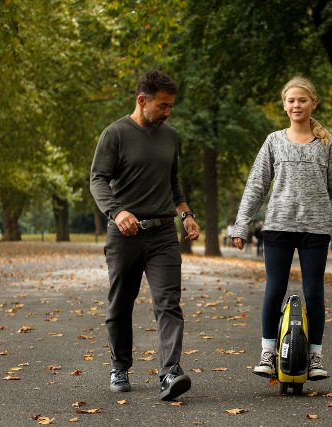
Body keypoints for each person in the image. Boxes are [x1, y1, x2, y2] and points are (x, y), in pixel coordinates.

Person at [230, 76, 332, 381]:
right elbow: (256, 185)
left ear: (313, 104)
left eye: (302, 100)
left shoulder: (327, 142)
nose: (297, 105)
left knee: (313, 292)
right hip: (279, 225)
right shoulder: (273, 141)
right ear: (284, 105)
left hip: (317, 228)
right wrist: (241, 226)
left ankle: (315, 357)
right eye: (291, 100)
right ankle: (268, 353)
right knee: (275, 289)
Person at [90, 70, 200, 400]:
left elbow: (173, 182)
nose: (168, 112)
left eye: (171, 106)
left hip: (164, 233)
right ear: (142, 101)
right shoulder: (115, 135)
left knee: (169, 303)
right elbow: (98, 180)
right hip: (124, 235)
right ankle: (119, 365)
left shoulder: (171, 136)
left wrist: (186, 213)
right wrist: (117, 212)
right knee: (120, 303)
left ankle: (169, 373)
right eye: (163, 106)